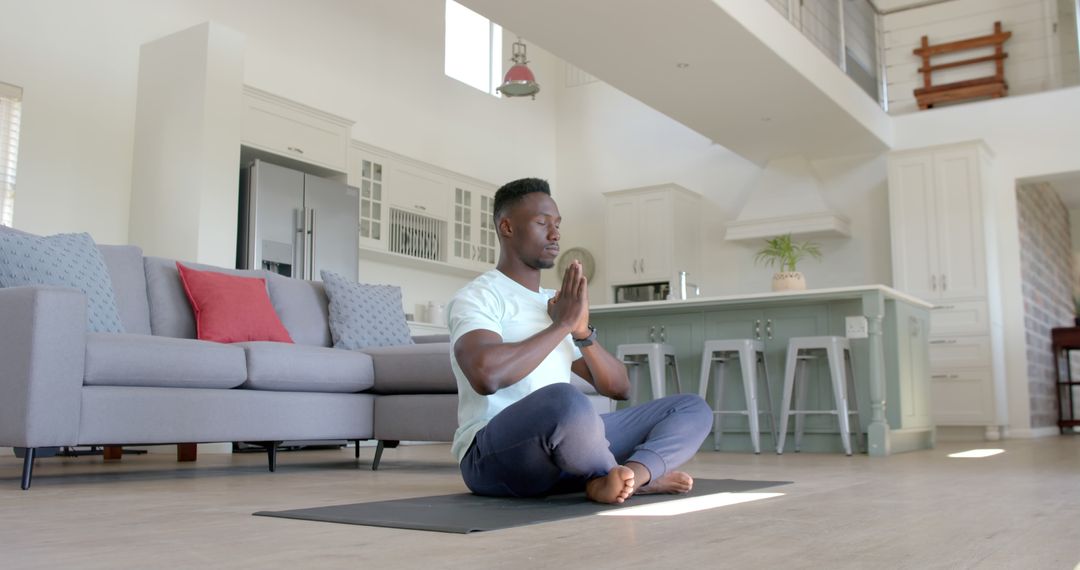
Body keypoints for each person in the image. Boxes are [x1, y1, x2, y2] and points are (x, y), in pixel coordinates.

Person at [447, 177, 713, 504]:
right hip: (494, 454)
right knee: (565, 400)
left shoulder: (556, 303)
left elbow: (620, 388)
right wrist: (562, 325)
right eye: (542, 223)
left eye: (558, 224)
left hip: (565, 449)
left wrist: (582, 334)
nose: (555, 234)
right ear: (507, 227)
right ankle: (612, 474)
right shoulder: (479, 297)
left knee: (690, 407)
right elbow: (486, 376)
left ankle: (631, 476)